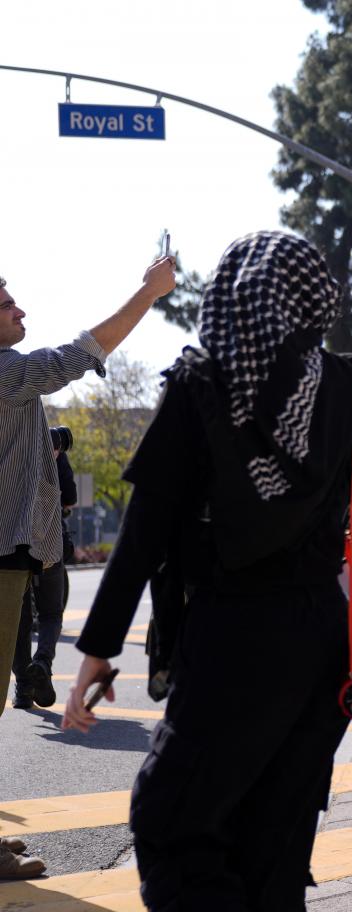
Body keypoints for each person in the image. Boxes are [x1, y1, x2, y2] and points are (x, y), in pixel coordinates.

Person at [62, 231, 352, 912]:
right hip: (319, 642)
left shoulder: (204, 382)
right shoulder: (351, 385)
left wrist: (97, 648)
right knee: (275, 848)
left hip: (234, 635)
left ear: (232, 294)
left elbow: (144, 528)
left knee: (171, 819)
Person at [0, 253, 176, 879]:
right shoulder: (4, 373)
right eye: (7, 304)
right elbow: (79, 353)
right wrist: (147, 294)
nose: (20, 311)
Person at [13, 433, 77, 709]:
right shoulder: (57, 459)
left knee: (20, 619)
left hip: (14, 547)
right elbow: (71, 498)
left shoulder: (14, 454)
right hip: (50, 544)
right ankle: (42, 661)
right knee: (51, 613)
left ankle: (23, 690)